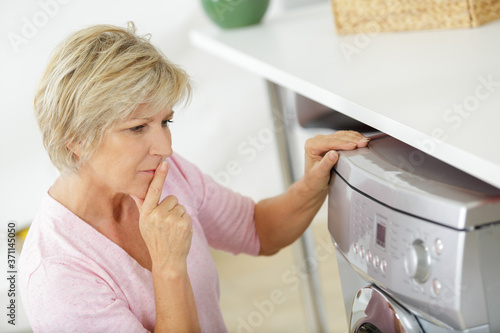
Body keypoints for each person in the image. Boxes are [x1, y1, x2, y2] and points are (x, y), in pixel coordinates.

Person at [19, 23, 369, 332]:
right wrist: (168, 267)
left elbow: (257, 229)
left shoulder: (163, 174)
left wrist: (313, 182)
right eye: (137, 127)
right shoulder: (56, 276)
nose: (165, 147)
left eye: (165, 122)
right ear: (77, 139)